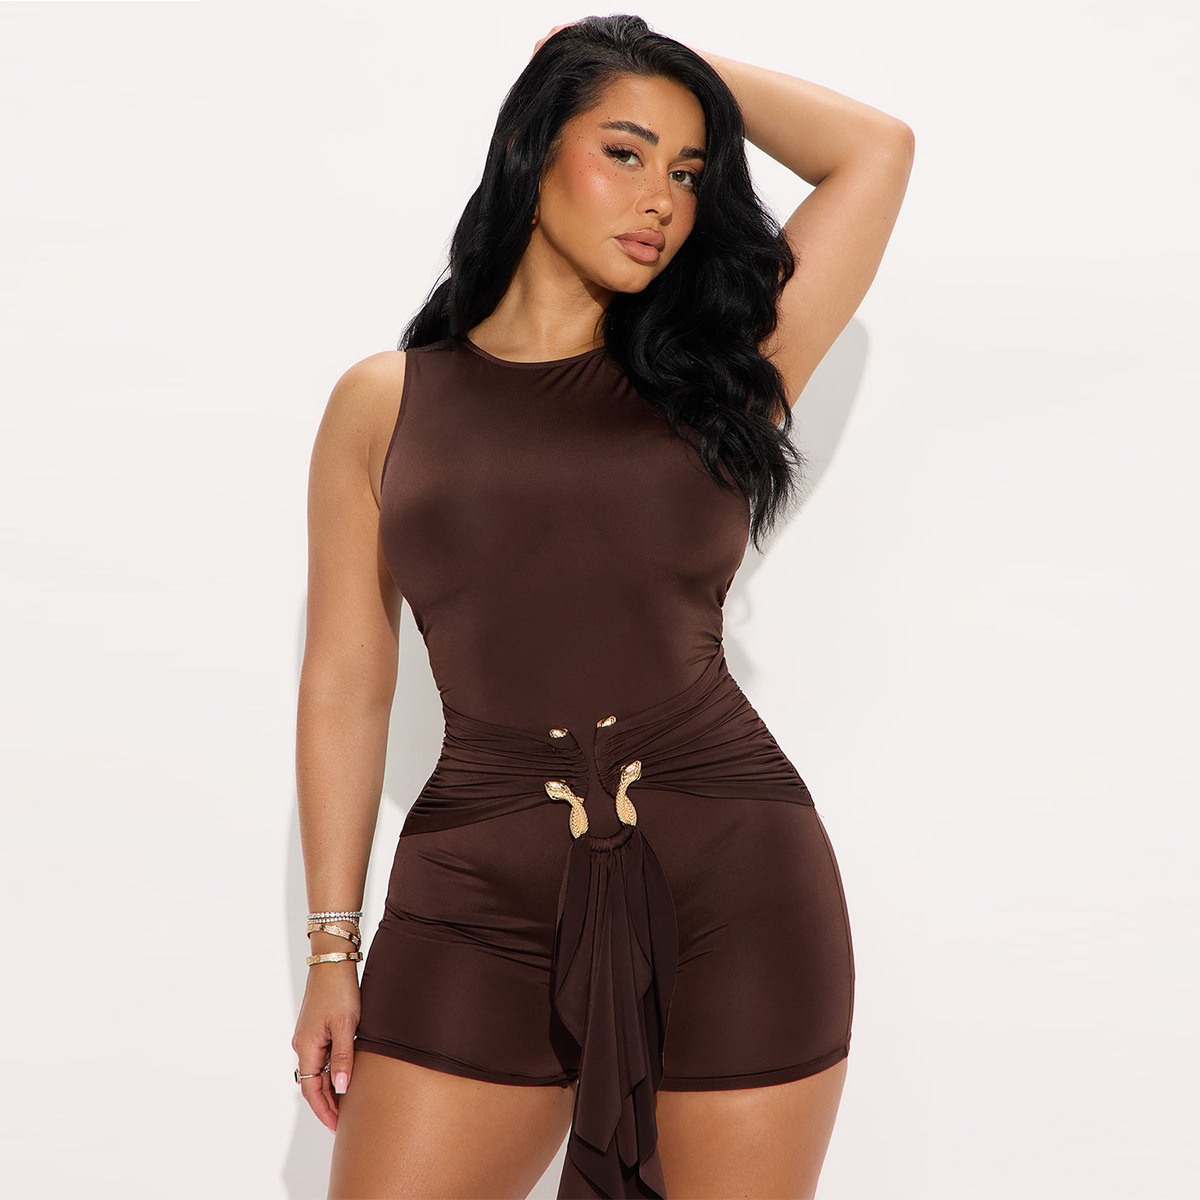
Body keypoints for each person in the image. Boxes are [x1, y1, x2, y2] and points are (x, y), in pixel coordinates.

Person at [293, 15, 913, 1199]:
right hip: (475, 894)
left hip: (735, 884)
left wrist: (656, 57)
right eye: (623, 152)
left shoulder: (725, 377)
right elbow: (347, 680)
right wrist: (333, 946)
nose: (662, 199)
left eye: (689, 170)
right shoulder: (384, 401)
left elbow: (875, 150)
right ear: (533, 150)